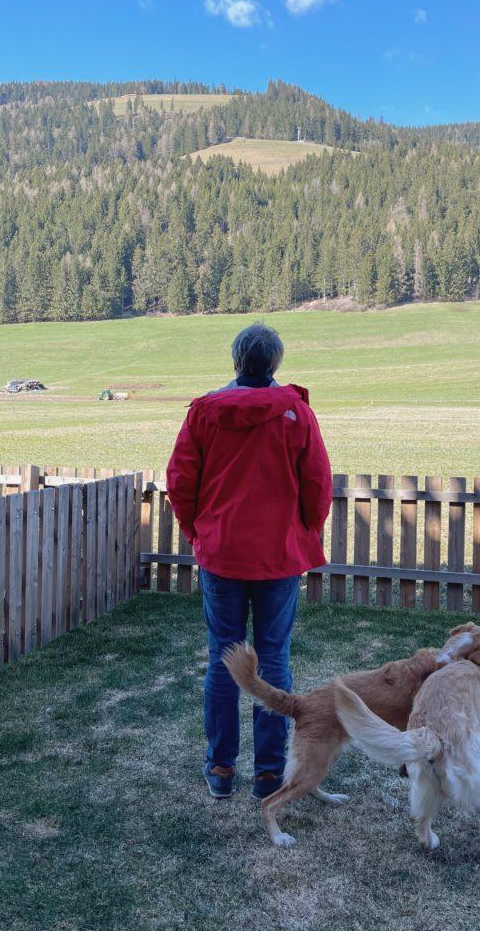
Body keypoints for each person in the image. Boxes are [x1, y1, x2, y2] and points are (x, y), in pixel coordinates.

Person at [166, 322, 332, 801]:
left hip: (221, 554)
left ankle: (220, 769)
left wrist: (199, 530)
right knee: (273, 658)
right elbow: (317, 484)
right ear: (274, 362)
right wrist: (304, 530)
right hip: (278, 557)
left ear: (237, 360)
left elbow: (180, 481)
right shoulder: (296, 414)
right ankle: (268, 773)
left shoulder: (204, 413)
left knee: (224, 659)